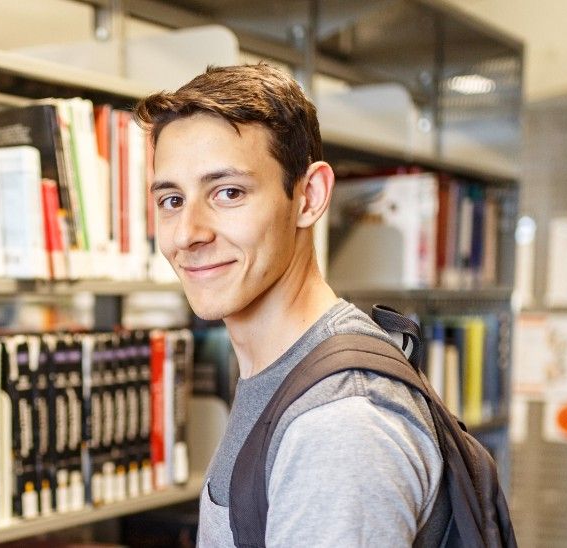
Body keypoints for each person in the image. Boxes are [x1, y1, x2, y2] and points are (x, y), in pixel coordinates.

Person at [134, 64, 451, 546]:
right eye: (172, 200)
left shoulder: (340, 426)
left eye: (228, 192)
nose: (187, 234)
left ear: (309, 197)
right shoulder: (280, 374)